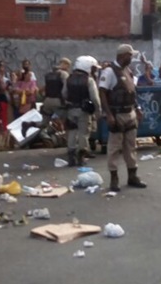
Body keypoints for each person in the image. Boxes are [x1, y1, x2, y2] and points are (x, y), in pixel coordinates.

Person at [99, 44, 147, 193]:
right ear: (122, 56)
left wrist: (138, 109)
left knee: (131, 147)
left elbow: (132, 92)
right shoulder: (109, 71)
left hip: (130, 113)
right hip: (117, 114)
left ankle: (132, 176)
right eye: (129, 55)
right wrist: (109, 114)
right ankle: (114, 179)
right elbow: (102, 92)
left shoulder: (128, 71)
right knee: (114, 148)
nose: (131, 58)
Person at [63, 56, 101, 166]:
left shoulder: (68, 79)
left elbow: (64, 93)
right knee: (83, 133)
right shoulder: (89, 80)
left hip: (71, 109)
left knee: (72, 131)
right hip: (84, 110)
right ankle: (81, 155)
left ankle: (71, 155)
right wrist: (98, 110)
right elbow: (95, 98)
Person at [28, 57, 71, 134]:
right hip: (58, 101)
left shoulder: (49, 75)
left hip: (47, 101)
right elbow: (66, 89)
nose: (68, 68)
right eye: (68, 66)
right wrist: (66, 100)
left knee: (44, 122)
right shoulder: (64, 74)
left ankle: (29, 124)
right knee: (68, 119)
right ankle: (68, 140)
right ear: (65, 64)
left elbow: (44, 89)